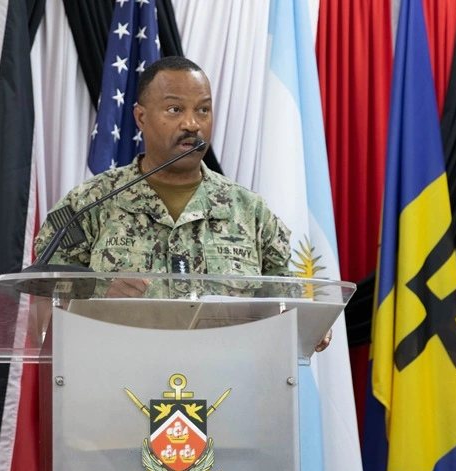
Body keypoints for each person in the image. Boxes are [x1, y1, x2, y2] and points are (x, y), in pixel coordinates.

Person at [34, 56, 332, 351]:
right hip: (118, 382)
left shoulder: (250, 211)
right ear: (141, 117)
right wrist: (100, 300)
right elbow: (46, 315)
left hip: (228, 387)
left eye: (203, 110)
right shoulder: (88, 204)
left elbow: (285, 301)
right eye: (175, 109)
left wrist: (309, 323)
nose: (192, 124)